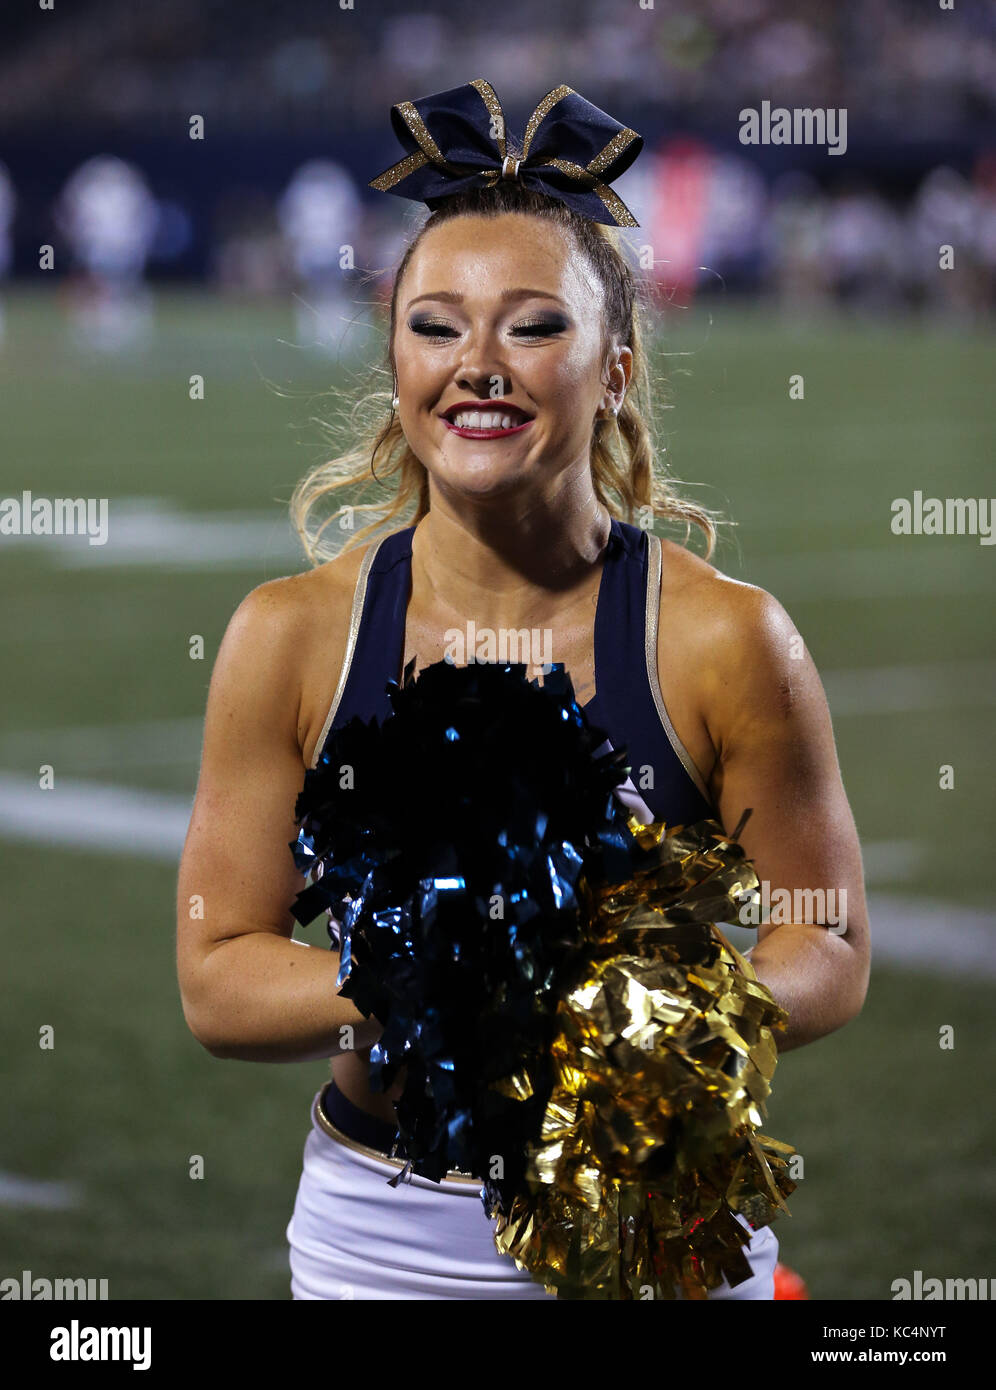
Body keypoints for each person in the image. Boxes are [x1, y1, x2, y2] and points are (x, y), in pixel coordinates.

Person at [176, 82, 870, 1300]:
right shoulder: (290, 636)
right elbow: (218, 971)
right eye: (437, 327)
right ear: (395, 357)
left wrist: (658, 1005)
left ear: (615, 367)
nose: (478, 367)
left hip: (662, 1215)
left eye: (535, 326)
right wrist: (431, 974)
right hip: (385, 1241)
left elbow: (829, 934)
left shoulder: (728, 638)